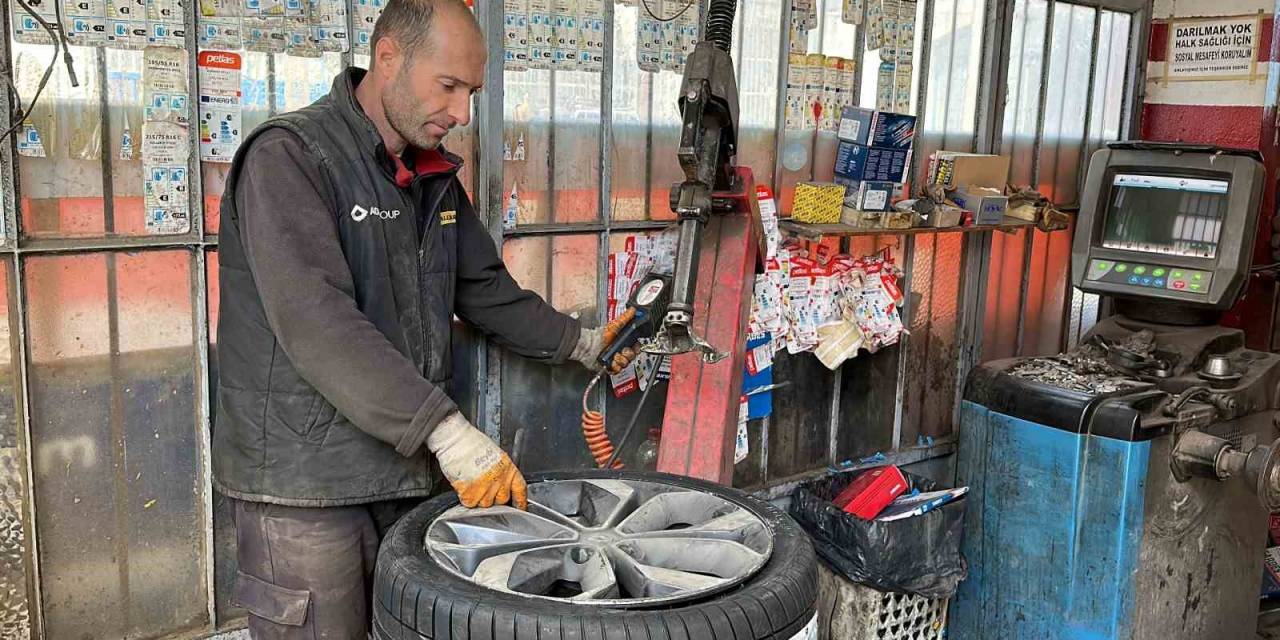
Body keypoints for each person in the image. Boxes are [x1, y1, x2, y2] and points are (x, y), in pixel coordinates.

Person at [211, 0, 607, 635]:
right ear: (388, 57)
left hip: (403, 473)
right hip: (307, 486)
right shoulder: (290, 158)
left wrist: (585, 343)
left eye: (472, 91)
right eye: (448, 86)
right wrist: (449, 434)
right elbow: (319, 323)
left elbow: (483, 290)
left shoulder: (432, 176)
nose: (462, 113)